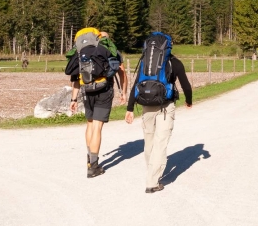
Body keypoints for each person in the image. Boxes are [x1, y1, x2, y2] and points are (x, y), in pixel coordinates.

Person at [125, 33, 192, 194]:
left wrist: (129, 108)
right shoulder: (174, 62)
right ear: (169, 46)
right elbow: (186, 86)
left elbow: (136, 84)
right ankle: (152, 181)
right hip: (165, 106)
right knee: (160, 143)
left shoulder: (146, 62)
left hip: (146, 106)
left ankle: (151, 172)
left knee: (149, 141)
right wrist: (188, 101)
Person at [66, 28, 127, 179]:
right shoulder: (109, 49)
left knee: (90, 124)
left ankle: (89, 158)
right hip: (104, 90)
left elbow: (75, 78)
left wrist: (73, 99)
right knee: (97, 127)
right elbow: (122, 72)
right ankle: (93, 166)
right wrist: (123, 92)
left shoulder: (81, 52)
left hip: (87, 90)